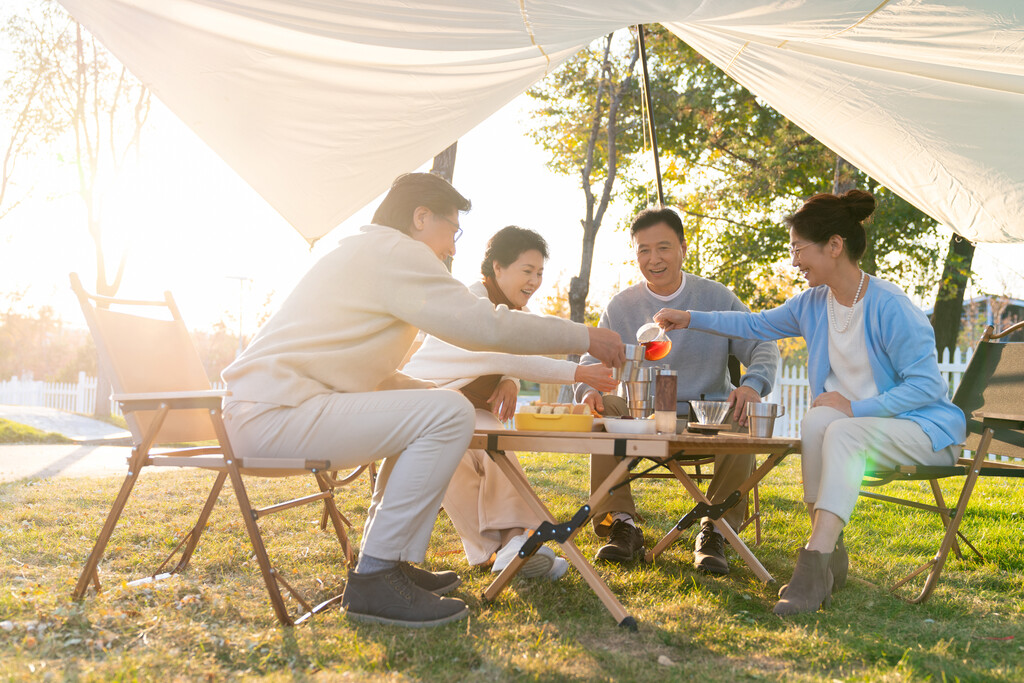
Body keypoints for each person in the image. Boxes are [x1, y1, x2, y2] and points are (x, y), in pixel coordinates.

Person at [221, 173, 625, 628]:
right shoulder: (396, 252)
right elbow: (487, 328)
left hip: (280, 410)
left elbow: (364, 372)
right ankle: (376, 576)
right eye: (452, 230)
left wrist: (428, 394)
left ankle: (387, 564)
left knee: (437, 406)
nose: (453, 247)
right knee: (450, 409)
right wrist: (584, 335)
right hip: (275, 416)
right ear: (420, 217)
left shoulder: (367, 250)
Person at [653, 189, 966, 616]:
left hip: (922, 429)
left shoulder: (891, 306)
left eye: (799, 249)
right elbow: (754, 322)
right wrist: (690, 318)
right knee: (817, 419)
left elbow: (927, 388)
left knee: (838, 426)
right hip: (857, 429)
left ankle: (814, 563)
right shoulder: (813, 303)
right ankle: (830, 550)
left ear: (834, 246)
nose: (795, 260)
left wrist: (853, 409)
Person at [403, 226, 619, 580]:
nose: (534, 281)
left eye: (539, 273)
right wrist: (579, 374)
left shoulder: (508, 309)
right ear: (497, 268)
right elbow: (502, 351)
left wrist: (509, 380)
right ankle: (513, 544)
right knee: (475, 446)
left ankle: (510, 545)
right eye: (526, 271)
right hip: (424, 401)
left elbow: (513, 350)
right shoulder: (471, 304)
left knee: (492, 444)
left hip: (462, 407)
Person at [574, 207, 780, 574]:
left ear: (684, 248)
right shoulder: (621, 306)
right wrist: (587, 390)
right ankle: (622, 524)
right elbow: (592, 360)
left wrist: (752, 385)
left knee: (742, 411)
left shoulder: (715, 297)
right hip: (642, 417)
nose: (653, 259)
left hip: (708, 416)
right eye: (643, 250)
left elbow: (762, 343)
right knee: (603, 407)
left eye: (664, 248)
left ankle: (717, 527)